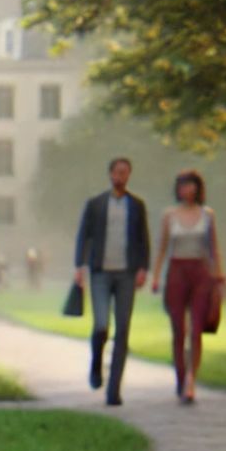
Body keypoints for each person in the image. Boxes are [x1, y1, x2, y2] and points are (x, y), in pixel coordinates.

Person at [73, 157, 151, 405]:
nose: (121, 176)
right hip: (100, 273)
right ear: (110, 174)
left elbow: (143, 239)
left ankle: (114, 389)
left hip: (127, 273)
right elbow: (83, 236)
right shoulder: (96, 204)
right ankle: (97, 363)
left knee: (123, 330)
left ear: (129, 175)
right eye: (117, 172)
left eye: (125, 172)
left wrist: (143, 268)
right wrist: (79, 266)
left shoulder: (136, 205)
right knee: (101, 325)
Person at [149, 169, 226, 405]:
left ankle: (192, 379)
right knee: (178, 330)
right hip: (176, 272)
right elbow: (163, 247)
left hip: (201, 272)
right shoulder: (169, 215)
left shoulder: (207, 214)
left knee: (196, 330)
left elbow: (214, 248)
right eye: (183, 186)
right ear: (178, 189)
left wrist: (219, 277)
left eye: (191, 185)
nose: (187, 190)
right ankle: (180, 377)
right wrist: (156, 276)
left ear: (197, 188)